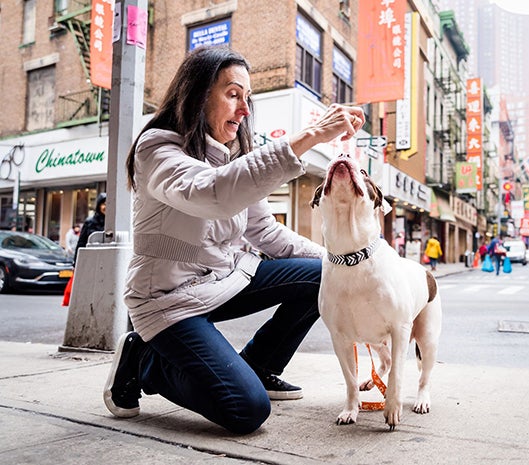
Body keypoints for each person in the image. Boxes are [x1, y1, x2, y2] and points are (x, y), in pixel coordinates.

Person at [102, 47, 365, 435]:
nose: (243, 110)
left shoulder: (233, 155)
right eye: (232, 94)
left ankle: (261, 367)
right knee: (246, 411)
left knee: (321, 273)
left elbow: (267, 233)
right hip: (168, 300)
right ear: (197, 93)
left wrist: (350, 261)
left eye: (247, 98)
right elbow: (212, 193)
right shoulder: (157, 149)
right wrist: (311, 136)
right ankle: (145, 360)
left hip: (224, 281)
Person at [74, 193, 106, 264]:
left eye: (107, 204)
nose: (105, 207)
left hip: (106, 260)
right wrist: (76, 262)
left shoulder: (113, 223)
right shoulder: (90, 222)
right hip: (91, 259)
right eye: (103, 204)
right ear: (99, 206)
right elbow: (81, 243)